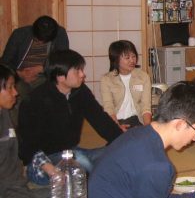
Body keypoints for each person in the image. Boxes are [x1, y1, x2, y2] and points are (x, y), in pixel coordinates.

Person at [18, 49, 123, 186]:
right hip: (43, 162)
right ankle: (98, 180)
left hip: (72, 152)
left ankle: (95, 174)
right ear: (60, 76)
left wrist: (123, 140)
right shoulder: (35, 101)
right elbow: (27, 146)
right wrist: (48, 167)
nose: (82, 74)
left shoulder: (80, 91)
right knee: (82, 162)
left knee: (114, 152)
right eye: (77, 71)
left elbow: (100, 119)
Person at [0, 64, 50, 198]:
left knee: (68, 194)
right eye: (9, 87)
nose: (15, 92)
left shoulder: (5, 113)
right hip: (5, 194)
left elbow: (25, 147)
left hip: (18, 187)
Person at [1, 15, 69, 125]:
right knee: (13, 98)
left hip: (44, 76)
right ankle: (17, 131)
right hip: (18, 77)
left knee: (50, 96)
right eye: (38, 40)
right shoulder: (19, 34)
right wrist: (19, 74)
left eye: (45, 41)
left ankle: (47, 130)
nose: (41, 43)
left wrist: (41, 68)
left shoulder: (60, 33)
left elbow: (62, 62)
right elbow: (5, 63)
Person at [100, 40, 152, 129]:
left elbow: (145, 106)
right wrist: (117, 127)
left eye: (133, 56)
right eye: (127, 58)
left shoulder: (143, 77)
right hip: (116, 121)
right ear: (116, 59)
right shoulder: (107, 80)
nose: (132, 60)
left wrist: (148, 128)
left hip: (138, 120)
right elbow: (109, 107)